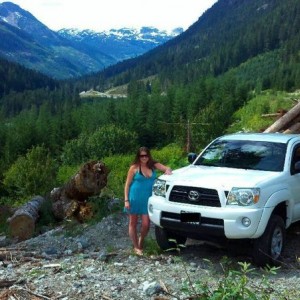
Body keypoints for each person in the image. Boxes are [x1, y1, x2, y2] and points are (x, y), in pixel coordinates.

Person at [124, 146, 172, 255]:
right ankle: (136, 247)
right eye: (142, 156)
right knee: (133, 222)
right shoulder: (134, 168)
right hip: (134, 198)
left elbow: (167, 169)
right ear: (138, 157)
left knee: (146, 224)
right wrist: (126, 200)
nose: (144, 158)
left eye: (146, 155)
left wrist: (167, 173)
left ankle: (141, 241)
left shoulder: (153, 165)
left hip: (148, 199)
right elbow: (127, 185)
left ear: (148, 155)